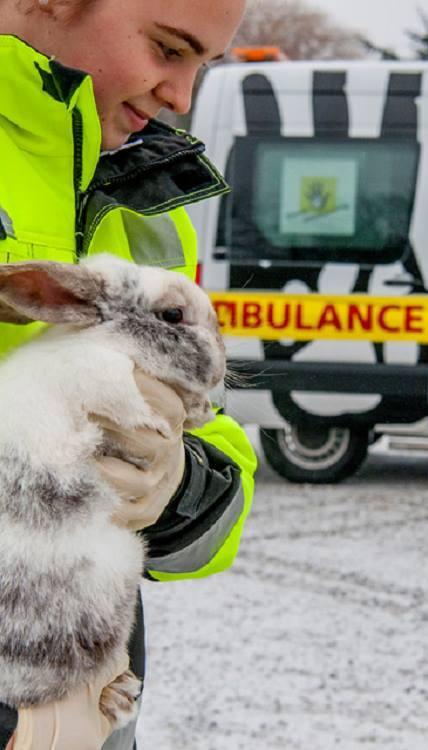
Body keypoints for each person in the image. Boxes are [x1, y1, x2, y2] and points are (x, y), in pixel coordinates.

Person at [0, 0, 256, 748]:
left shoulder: (146, 207)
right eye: (168, 49)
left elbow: (218, 444)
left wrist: (176, 484)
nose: (181, 96)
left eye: (203, 66)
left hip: (83, 711)